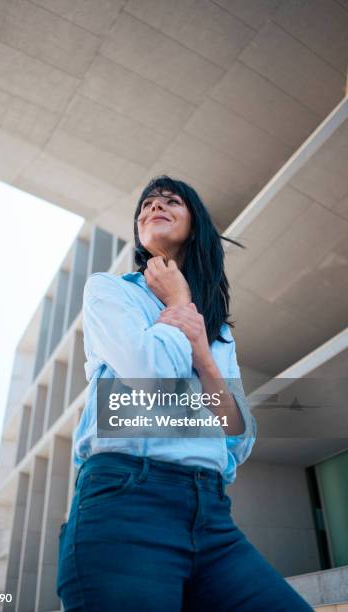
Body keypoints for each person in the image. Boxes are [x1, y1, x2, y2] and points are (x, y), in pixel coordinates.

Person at [56, 175, 314, 611]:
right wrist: (178, 304)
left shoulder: (218, 331)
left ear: (194, 225)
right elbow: (150, 378)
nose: (153, 206)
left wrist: (204, 355)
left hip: (211, 512)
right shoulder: (109, 291)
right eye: (146, 205)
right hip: (126, 501)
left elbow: (236, 439)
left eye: (170, 201)